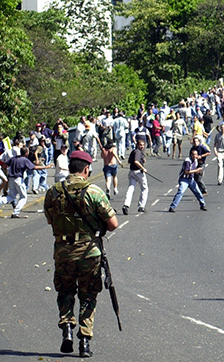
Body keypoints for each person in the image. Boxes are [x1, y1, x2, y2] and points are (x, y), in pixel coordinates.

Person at [43, 150, 118, 357]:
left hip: (63, 252)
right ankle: (84, 340)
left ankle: (67, 327)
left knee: (65, 291)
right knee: (88, 295)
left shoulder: (53, 192)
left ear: (70, 168)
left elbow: (50, 220)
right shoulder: (94, 192)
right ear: (86, 168)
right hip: (89, 252)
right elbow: (113, 224)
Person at [0, 147, 52, 218]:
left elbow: (5, 165)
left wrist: (5, 170)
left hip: (11, 179)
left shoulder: (13, 158)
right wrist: (46, 167)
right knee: (23, 197)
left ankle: (0, 201)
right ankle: (16, 212)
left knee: (12, 196)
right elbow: (35, 167)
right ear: (26, 153)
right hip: (18, 179)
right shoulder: (24, 160)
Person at [122, 139, 148, 215]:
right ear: (137, 145)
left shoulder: (133, 151)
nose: (142, 146)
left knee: (131, 188)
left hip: (131, 172)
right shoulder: (138, 152)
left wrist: (142, 160)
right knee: (144, 189)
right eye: (140, 145)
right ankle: (141, 206)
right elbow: (136, 161)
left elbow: (130, 161)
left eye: (143, 145)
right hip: (138, 172)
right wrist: (143, 168)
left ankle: (126, 205)